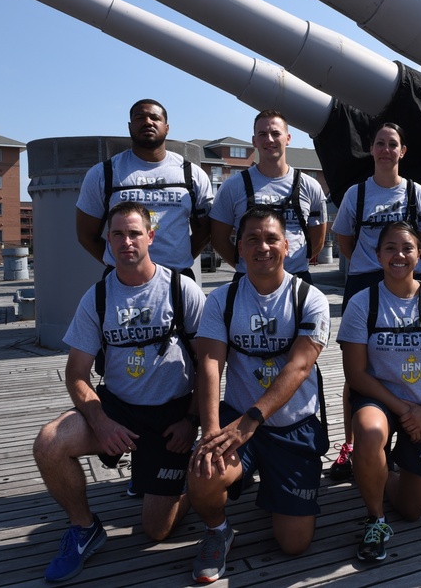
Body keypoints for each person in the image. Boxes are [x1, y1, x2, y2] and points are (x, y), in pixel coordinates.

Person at [33, 201, 206, 583]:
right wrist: (101, 420)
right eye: (117, 234)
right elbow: (76, 374)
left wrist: (191, 421)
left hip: (170, 418)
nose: (126, 242)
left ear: (151, 237)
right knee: (49, 443)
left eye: (134, 233)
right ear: (107, 240)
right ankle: (84, 527)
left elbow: (209, 366)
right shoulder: (96, 298)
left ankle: (186, 479)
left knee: (156, 530)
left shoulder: (183, 290)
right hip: (117, 410)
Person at [188, 206, 331, 584]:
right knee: (202, 474)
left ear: (288, 245)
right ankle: (219, 531)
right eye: (252, 239)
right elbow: (210, 366)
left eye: (271, 238)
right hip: (237, 418)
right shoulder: (221, 299)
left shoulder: (310, 299)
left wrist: (252, 420)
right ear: (238, 247)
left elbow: (299, 368)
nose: (262, 247)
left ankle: (271, 484)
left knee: (294, 544)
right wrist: (212, 432)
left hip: (292, 426)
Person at [336, 221, 421, 562]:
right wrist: (405, 410)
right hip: (380, 399)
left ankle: (380, 470)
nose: (399, 255)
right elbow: (356, 374)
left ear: (420, 254)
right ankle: (375, 519)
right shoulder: (363, 303)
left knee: (411, 510)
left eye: (407, 248)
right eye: (390, 248)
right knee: (367, 433)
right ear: (377, 255)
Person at [329, 122, 421, 481]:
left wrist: (403, 265)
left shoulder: (416, 193)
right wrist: (369, 262)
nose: (386, 149)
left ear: (402, 151)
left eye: (393, 144)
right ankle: (353, 445)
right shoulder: (356, 195)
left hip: (407, 281)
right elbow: (344, 238)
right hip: (364, 280)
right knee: (356, 367)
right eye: (380, 143)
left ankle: (408, 438)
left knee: (407, 355)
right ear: (371, 150)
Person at [75, 99, 214, 277]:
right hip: (121, 279)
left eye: (154, 118)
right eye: (140, 117)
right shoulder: (103, 174)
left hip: (177, 278)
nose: (147, 122)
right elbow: (86, 234)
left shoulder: (192, 174)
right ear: (129, 126)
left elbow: (205, 231)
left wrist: (177, 261)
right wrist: (120, 263)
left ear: (167, 127)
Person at [209, 109, 328, 282]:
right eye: (262, 134)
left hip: (297, 279)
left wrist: (294, 263)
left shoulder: (310, 186)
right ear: (254, 141)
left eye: (275, 133)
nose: (269, 139)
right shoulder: (233, 187)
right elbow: (219, 239)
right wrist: (248, 265)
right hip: (248, 280)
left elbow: (318, 240)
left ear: (288, 138)